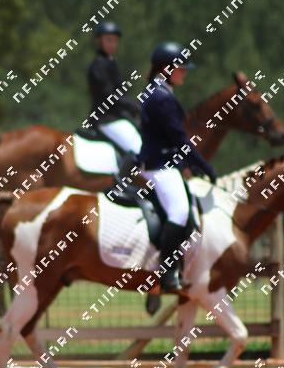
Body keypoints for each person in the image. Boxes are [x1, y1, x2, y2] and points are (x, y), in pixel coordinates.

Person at [137, 42, 217, 293]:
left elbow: (171, 140)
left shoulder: (161, 91)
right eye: (181, 69)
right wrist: (203, 165)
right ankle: (167, 273)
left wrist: (186, 163)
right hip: (158, 166)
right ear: (166, 69)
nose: (184, 73)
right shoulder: (160, 97)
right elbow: (179, 139)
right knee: (180, 212)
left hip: (164, 162)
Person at [87, 21, 142, 158]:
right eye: (108, 40)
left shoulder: (110, 62)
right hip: (105, 119)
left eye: (115, 41)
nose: (112, 44)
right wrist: (134, 106)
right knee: (138, 150)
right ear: (99, 41)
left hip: (116, 117)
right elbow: (110, 95)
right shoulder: (98, 65)